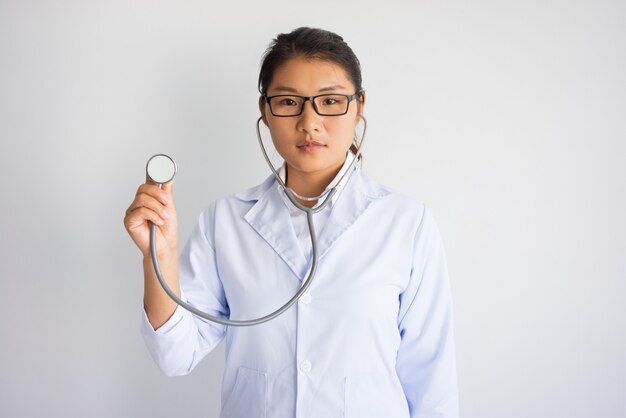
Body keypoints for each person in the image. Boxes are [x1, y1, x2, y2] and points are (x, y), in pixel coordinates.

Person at [124, 27, 459, 418]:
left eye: (330, 101)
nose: (309, 121)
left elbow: (432, 381)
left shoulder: (406, 223)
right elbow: (174, 355)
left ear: (359, 105)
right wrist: (157, 256)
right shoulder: (226, 221)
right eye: (288, 102)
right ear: (265, 112)